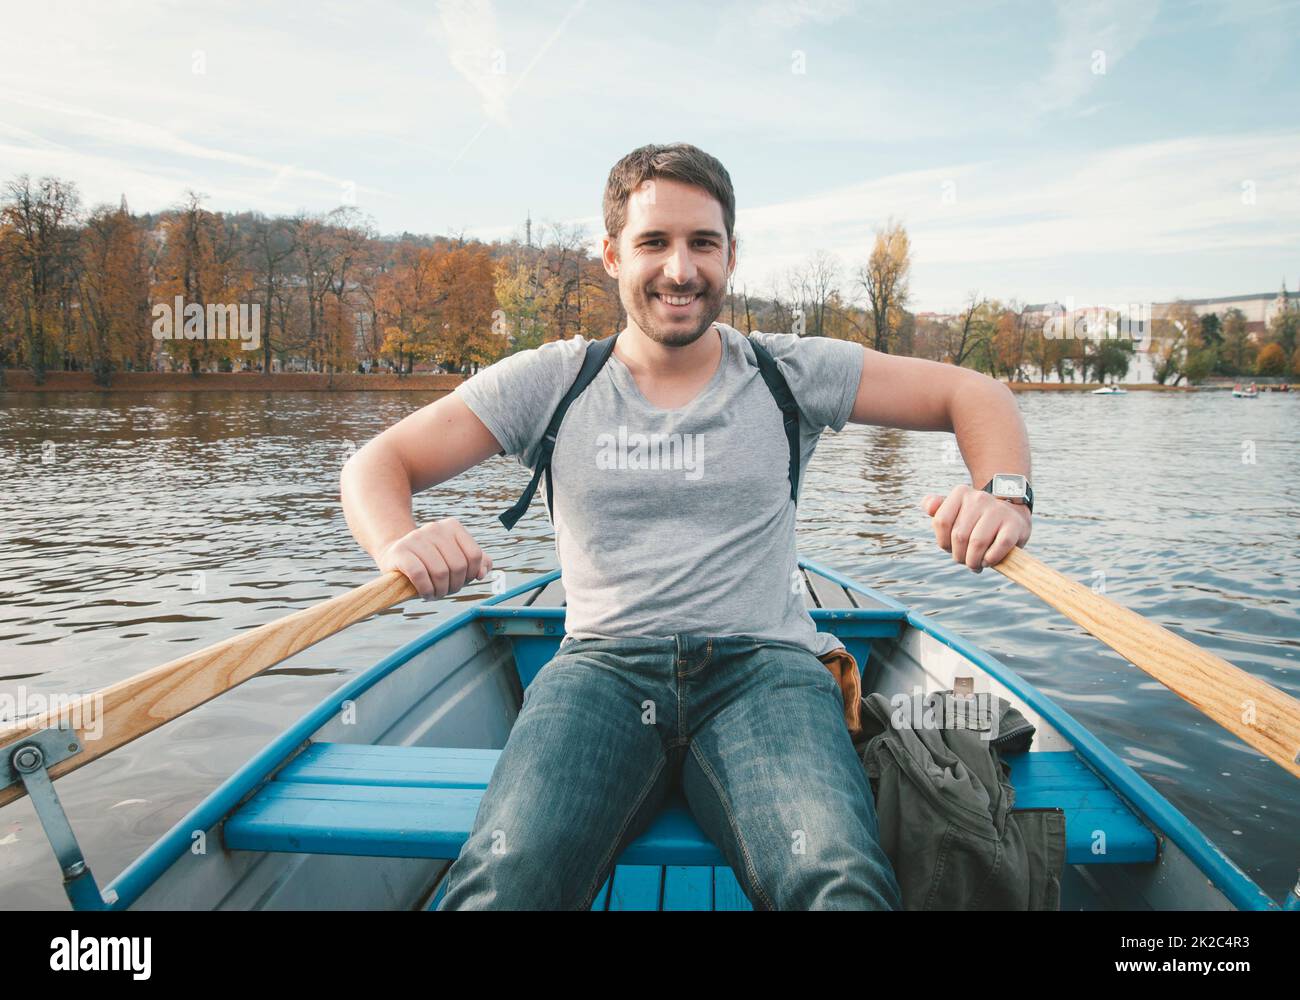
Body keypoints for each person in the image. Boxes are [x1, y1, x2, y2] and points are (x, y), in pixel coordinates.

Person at [339, 142, 1033, 910]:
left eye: (702, 243)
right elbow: (377, 464)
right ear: (610, 254)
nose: (680, 269)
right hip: (600, 671)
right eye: (653, 242)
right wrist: (396, 539)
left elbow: (973, 393)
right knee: (507, 878)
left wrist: (1002, 495)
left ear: (731, 255)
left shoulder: (785, 371)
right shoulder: (554, 380)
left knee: (836, 880)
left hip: (766, 674)